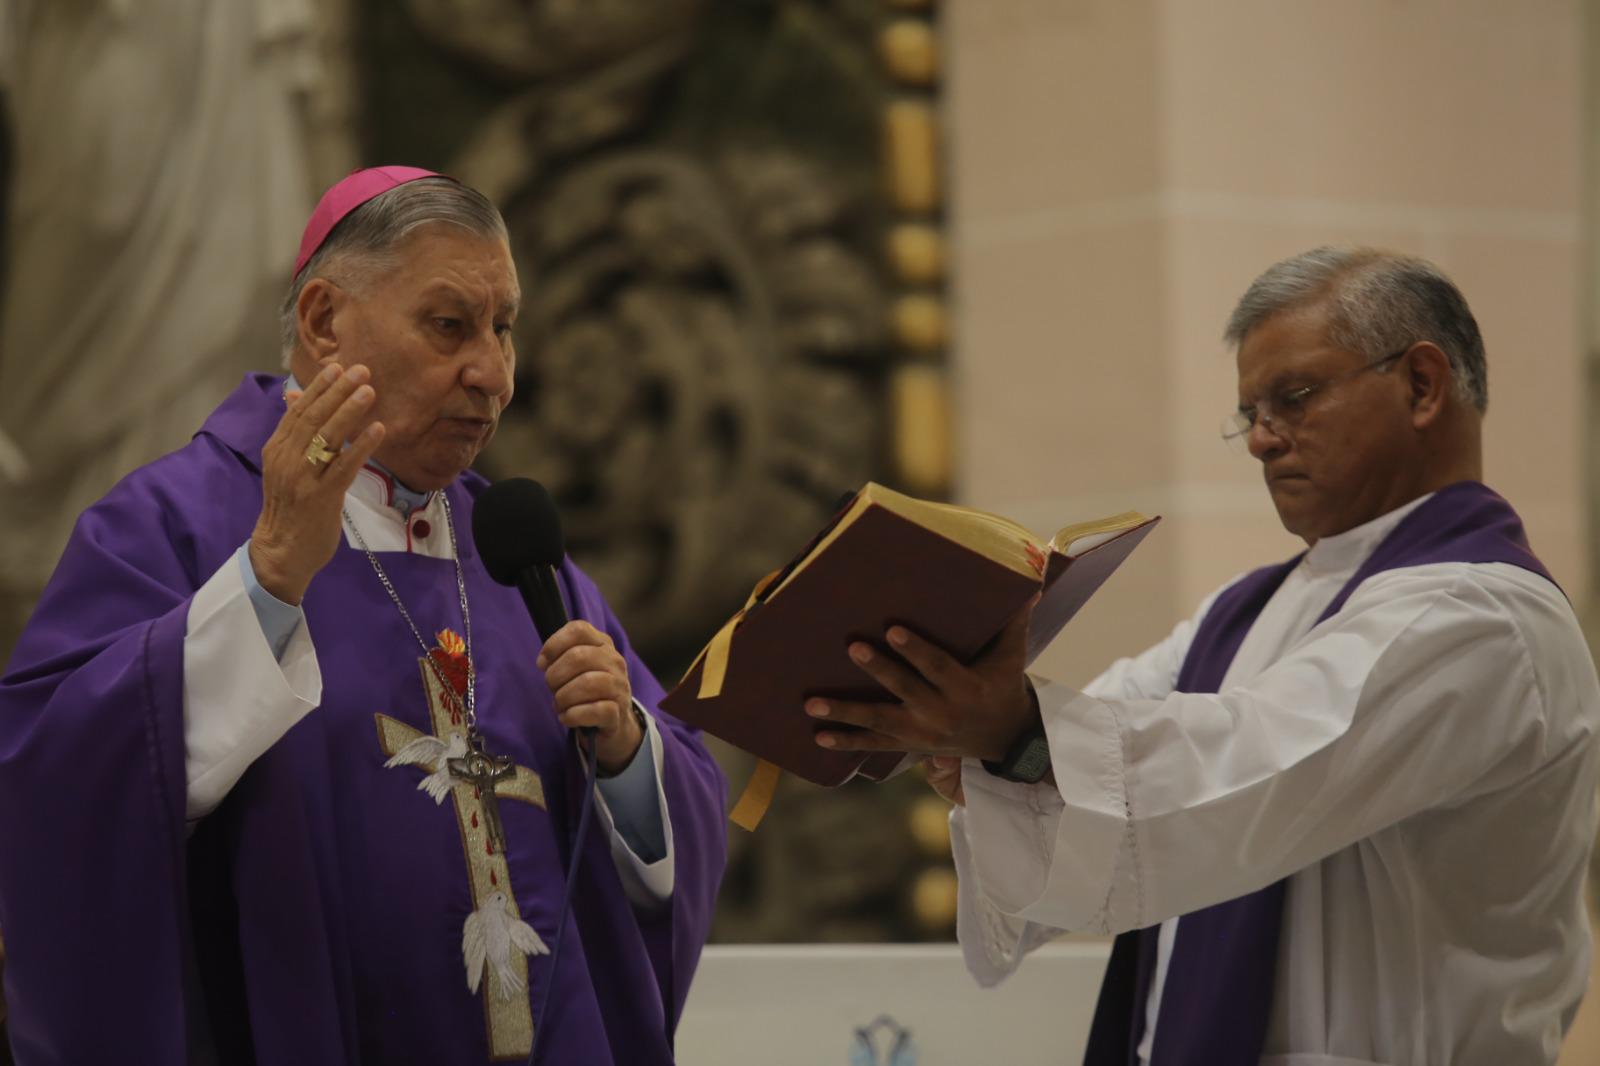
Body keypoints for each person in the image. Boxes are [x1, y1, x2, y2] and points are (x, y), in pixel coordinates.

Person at [0, 166, 727, 1064]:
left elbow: (680, 813)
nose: (492, 375)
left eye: (505, 329)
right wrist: (266, 582)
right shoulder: (173, 523)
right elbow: (55, 782)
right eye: (450, 326)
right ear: (322, 321)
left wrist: (623, 753)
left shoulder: (513, 551)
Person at [805, 247, 1600, 1065]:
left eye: (1294, 398)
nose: (1261, 441)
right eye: (1249, 412)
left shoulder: (1485, 616)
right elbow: (1110, 766)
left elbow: (1247, 771)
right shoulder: (1246, 610)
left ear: (1422, 385)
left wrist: (1015, 740)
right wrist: (976, 746)